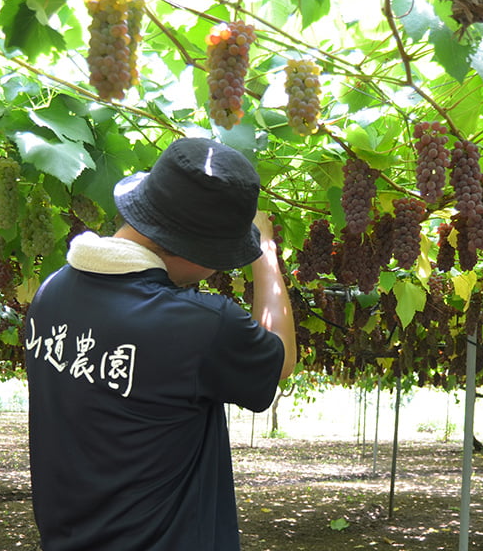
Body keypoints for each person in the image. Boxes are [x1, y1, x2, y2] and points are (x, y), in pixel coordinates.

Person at [24, 137, 297, 551]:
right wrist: (264, 252)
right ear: (195, 250)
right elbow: (280, 358)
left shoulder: (49, 294)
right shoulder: (201, 324)